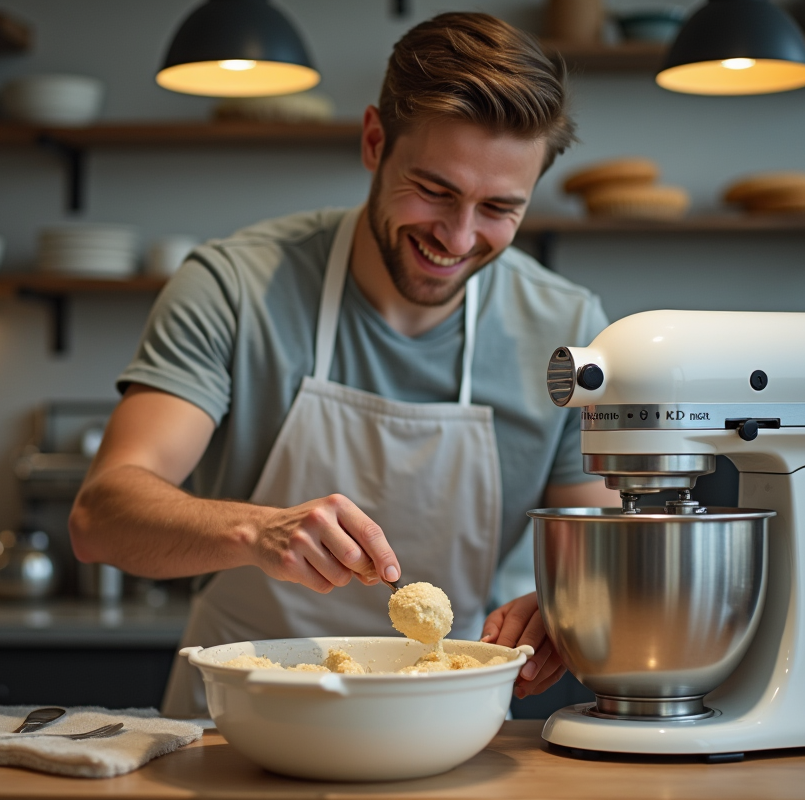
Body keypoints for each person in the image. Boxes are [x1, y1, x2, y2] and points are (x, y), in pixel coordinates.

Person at [69, 11, 619, 718]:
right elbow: (101, 516)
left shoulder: (567, 331)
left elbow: (598, 554)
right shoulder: (235, 287)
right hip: (236, 720)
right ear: (373, 142)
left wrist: (563, 606)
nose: (458, 238)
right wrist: (256, 533)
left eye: (498, 208)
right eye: (436, 190)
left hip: (444, 718)